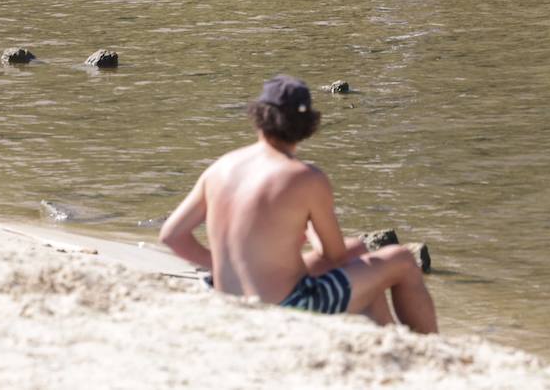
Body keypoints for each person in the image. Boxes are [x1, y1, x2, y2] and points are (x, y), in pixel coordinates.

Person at [159, 75, 438, 333]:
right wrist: (312, 230)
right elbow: (334, 256)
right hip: (283, 306)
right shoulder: (305, 177)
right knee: (400, 259)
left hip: (224, 297)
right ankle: (428, 347)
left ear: (258, 117)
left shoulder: (222, 167)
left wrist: (222, 264)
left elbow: (171, 236)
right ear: (309, 125)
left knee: (360, 250)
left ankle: (386, 333)